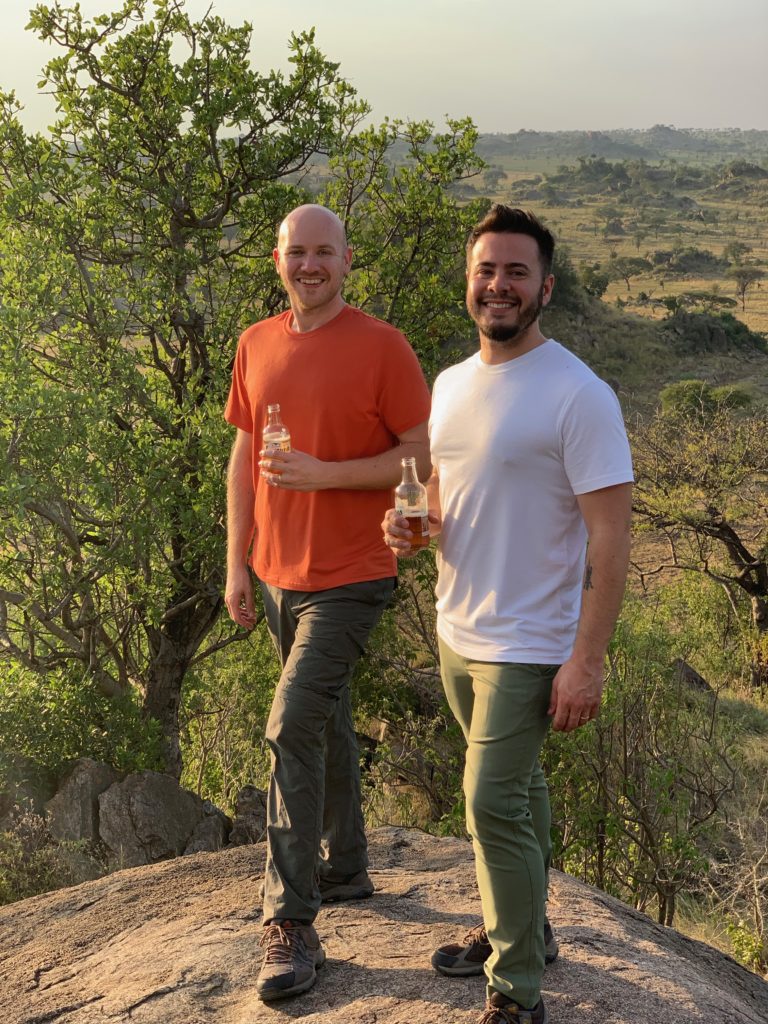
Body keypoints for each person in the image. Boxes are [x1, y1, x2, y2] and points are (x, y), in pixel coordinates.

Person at [383, 205, 633, 1024]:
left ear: (546, 288)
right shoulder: (451, 383)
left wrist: (586, 659)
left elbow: (611, 533)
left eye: (516, 272)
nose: (499, 285)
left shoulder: (578, 394)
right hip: (458, 629)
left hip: (531, 641)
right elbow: (448, 496)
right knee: (518, 791)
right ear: (469, 282)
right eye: (486, 270)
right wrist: (410, 527)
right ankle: (526, 926)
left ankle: (516, 987)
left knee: (490, 802)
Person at [224, 204, 431, 1002]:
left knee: (290, 724)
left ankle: (292, 921)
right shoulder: (256, 342)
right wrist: (237, 564)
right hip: (277, 573)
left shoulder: (383, 347)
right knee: (325, 717)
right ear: (278, 259)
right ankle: (345, 866)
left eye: (324, 253)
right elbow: (243, 457)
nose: (309, 265)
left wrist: (325, 473)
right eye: (296, 252)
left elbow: (419, 454)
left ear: (348, 260)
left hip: (354, 571)